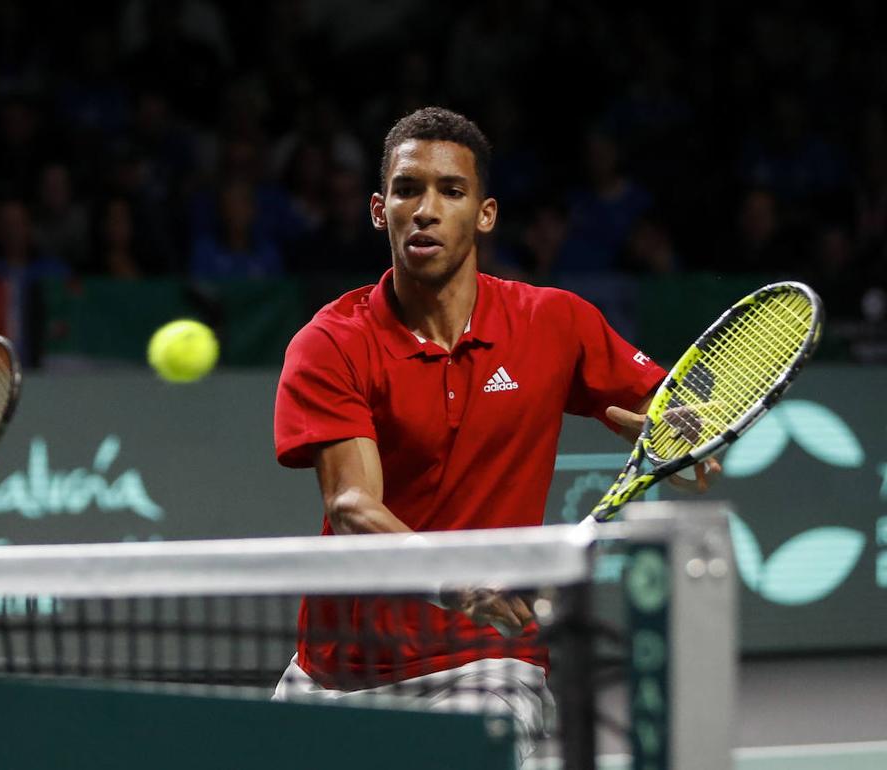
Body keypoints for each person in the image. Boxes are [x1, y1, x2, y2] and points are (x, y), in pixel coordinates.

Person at [270, 107, 719, 762]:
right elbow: (352, 506)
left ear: (484, 214)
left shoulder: (553, 324)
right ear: (378, 209)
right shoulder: (332, 344)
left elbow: (672, 437)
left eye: (450, 191)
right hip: (337, 674)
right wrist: (458, 580)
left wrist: (685, 449)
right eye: (407, 189)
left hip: (486, 665)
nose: (425, 209)